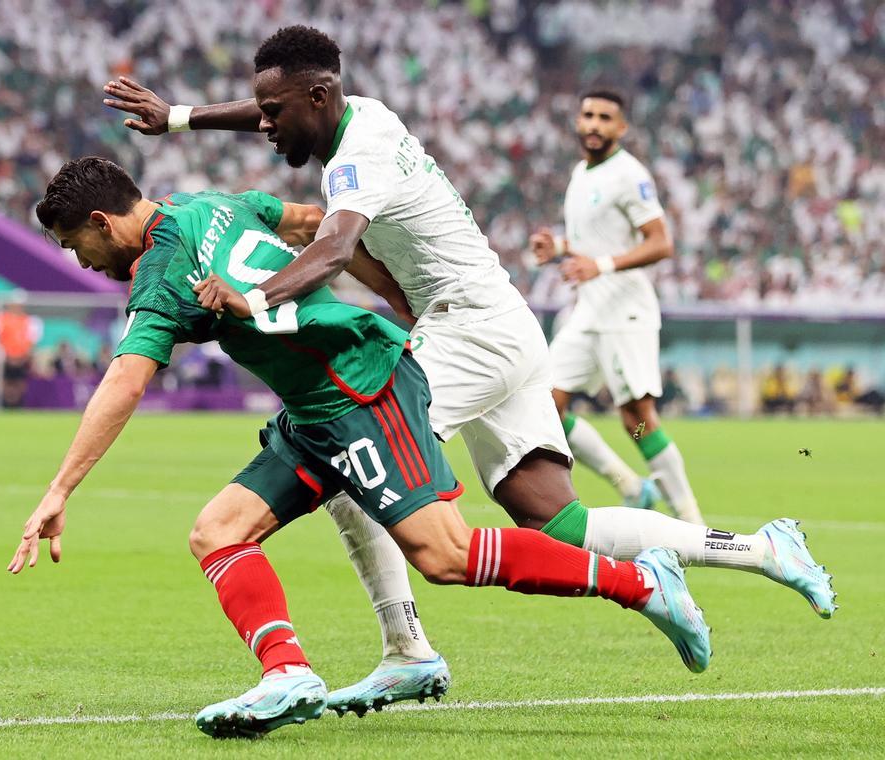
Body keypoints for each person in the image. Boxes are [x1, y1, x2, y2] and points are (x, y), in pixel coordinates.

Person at [102, 25, 835, 715]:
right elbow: (281, 104)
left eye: (273, 112)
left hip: (469, 329)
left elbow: (330, 252)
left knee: (348, 449)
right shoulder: (358, 114)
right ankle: (763, 550)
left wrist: (252, 297)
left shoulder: (358, 160)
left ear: (319, 101)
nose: (263, 125)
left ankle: (407, 649)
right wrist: (180, 118)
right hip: (498, 324)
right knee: (559, 519)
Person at [9, 156, 712, 738]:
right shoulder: (206, 204)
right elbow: (319, 225)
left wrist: (59, 489)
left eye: (78, 245)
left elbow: (125, 381)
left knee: (446, 556)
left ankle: (644, 582)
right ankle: (286, 672)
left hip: (363, 389)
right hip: (316, 409)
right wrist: (388, 291)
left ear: (102, 222)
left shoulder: (159, 275)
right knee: (219, 531)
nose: (85, 261)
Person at [530, 90, 701, 523]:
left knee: (637, 420)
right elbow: (595, 242)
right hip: (588, 311)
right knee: (545, 404)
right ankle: (631, 485)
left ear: (621, 128)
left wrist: (599, 265)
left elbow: (661, 242)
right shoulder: (581, 173)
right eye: (587, 115)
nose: (594, 124)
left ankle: (691, 520)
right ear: (577, 121)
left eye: (605, 118)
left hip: (625, 313)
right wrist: (560, 247)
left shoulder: (629, 175)